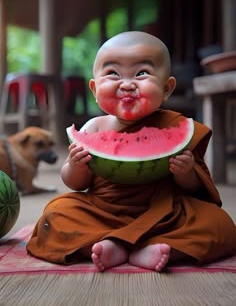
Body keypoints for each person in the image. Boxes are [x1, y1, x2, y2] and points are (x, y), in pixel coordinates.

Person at [27, 31, 236, 272]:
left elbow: (193, 188)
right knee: (56, 215)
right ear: (94, 90)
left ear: (167, 88)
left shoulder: (175, 126)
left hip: (164, 213)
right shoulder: (92, 128)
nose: (127, 84)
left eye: (142, 73)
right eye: (113, 73)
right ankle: (115, 245)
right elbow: (75, 184)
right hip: (102, 211)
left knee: (218, 224)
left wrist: (185, 172)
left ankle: (146, 246)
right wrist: (75, 166)